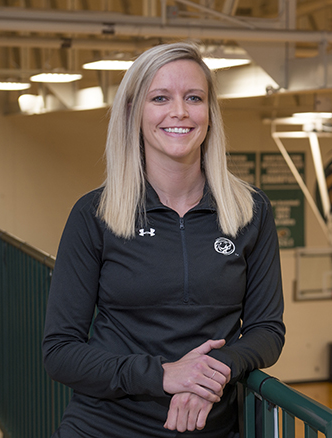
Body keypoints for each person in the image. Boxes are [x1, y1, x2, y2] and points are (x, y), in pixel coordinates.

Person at [42, 42, 285, 438]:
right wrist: (164, 375)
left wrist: (211, 372)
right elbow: (60, 352)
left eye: (194, 98)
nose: (180, 112)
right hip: (103, 427)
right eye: (160, 98)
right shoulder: (95, 214)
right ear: (134, 113)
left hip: (209, 428)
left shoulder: (250, 211)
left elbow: (267, 330)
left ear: (210, 113)